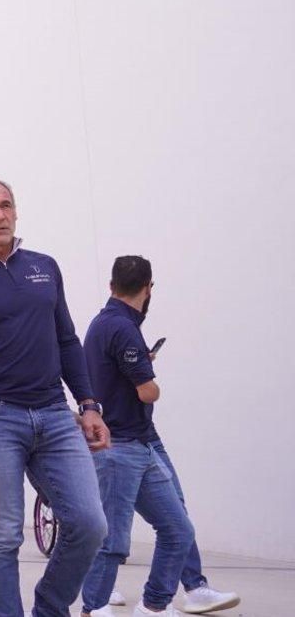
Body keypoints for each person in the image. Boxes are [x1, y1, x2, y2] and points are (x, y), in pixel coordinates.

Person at [0, 178, 110, 617]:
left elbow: (66, 339)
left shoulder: (44, 267)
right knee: (4, 533)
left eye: (6, 205)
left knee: (89, 523)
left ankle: (49, 607)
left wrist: (87, 404)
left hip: (53, 413)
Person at [79, 257, 239, 617]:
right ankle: (94, 608)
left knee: (178, 529)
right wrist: (149, 376)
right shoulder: (123, 328)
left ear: (111, 285)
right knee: (114, 542)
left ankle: (152, 606)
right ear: (149, 288)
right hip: (119, 447)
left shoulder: (104, 325)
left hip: (139, 445)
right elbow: (146, 391)